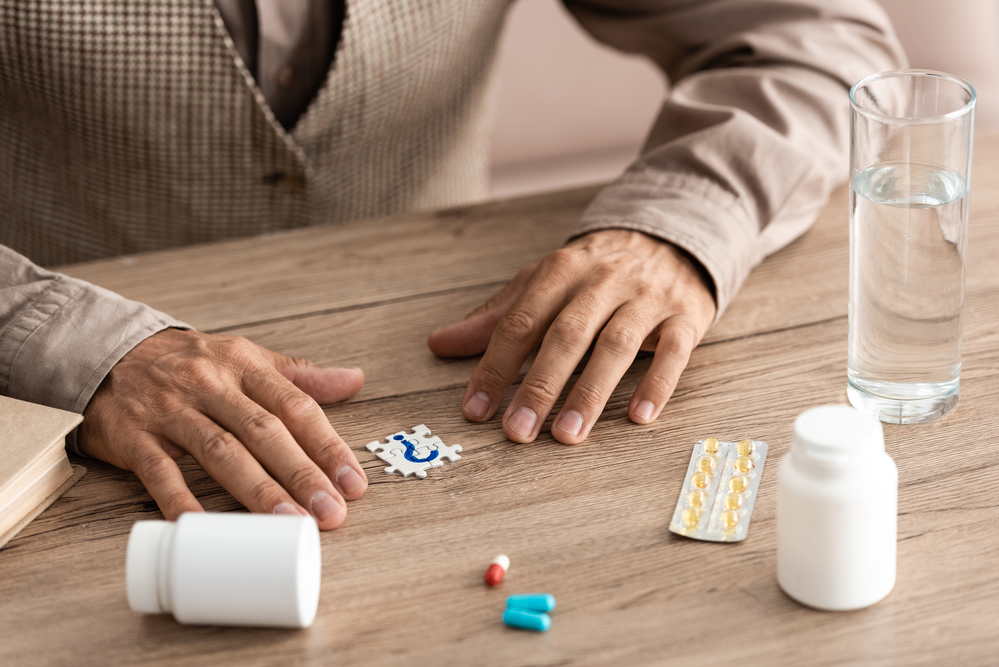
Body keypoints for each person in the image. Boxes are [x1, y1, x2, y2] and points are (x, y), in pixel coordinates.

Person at [0, 0, 905, 529]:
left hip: (438, 345)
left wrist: (682, 218)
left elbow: (813, 28)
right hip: (55, 440)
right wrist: (72, 343)